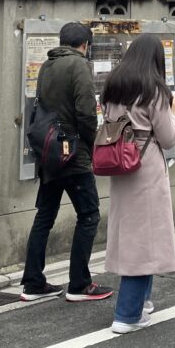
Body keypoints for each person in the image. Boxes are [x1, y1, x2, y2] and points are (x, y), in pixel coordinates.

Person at [20, 22, 112, 303]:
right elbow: (86, 111)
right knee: (89, 215)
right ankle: (79, 284)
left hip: (49, 152)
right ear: (85, 44)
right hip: (73, 154)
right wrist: (93, 142)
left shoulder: (48, 65)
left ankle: (33, 283)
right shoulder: (79, 65)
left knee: (45, 216)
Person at [100, 34, 175, 334]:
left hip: (121, 165)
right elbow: (169, 138)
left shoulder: (114, 85)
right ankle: (127, 314)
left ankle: (143, 303)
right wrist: (172, 113)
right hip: (145, 169)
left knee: (134, 237)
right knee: (143, 241)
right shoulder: (154, 91)